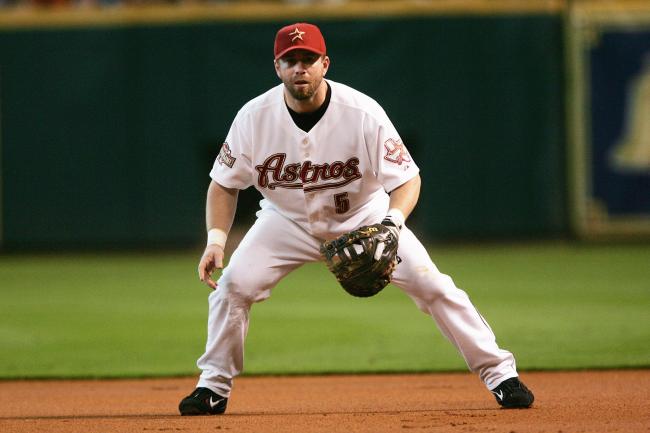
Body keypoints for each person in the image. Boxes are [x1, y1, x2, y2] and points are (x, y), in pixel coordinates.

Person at [178, 22, 534, 415]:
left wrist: (392, 225)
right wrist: (215, 240)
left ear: (325, 63)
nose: (300, 68)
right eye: (291, 60)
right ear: (277, 67)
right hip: (285, 222)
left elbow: (408, 179)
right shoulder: (253, 117)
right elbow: (223, 184)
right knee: (233, 287)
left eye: (308, 59)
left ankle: (501, 375)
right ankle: (212, 387)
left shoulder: (362, 112)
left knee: (435, 288)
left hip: (367, 219)